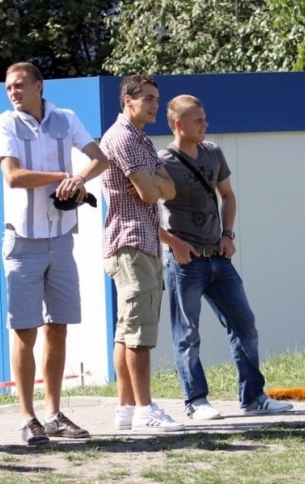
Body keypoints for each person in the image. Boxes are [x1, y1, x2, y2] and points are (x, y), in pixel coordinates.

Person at [0, 62, 108, 444]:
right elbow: (13, 177)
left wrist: (80, 179)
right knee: (25, 330)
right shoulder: (5, 123)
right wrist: (62, 177)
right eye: (9, 87)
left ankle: (54, 414)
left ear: (39, 86)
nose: (13, 92)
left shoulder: (65, 118)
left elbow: (100, 158)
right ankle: (28, 417)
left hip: (61, 238)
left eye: (19, 85)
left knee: (58, 326)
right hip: (22, 240)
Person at [158, 95, 293, 419]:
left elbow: (228, 196)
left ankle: (253, 397)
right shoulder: (163, 161)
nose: (205, 124)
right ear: (178, 125)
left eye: (204, 118)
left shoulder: (213, 152)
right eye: (198, 120)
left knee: (244, 324)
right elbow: (144, 211)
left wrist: (228, 234)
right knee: (187, 333)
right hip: (185, 261)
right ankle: (196, 401)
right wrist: (173, 243)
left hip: (218, 256)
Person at [100, 75, 183, 432]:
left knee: (126, 331)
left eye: (156, 99)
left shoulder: (142, 139)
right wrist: (154, 184)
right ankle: (145, 409)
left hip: (145, 241)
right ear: (127, 101)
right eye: (148, 98)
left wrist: (155, 183)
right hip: (130, 241)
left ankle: (127, 408)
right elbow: (150, 194)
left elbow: (170, 189)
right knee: (139, 332)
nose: (154, 106)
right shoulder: (123, 137)